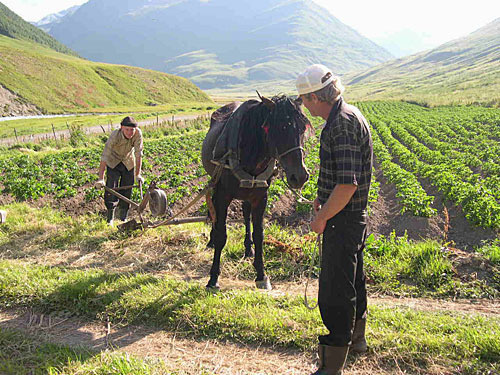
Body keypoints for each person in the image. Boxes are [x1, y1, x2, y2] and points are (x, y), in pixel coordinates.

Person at [296, 64, 373, 374]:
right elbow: (341, 177)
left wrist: (322, 217)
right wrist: (322, 197)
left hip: (343, 219)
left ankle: (331, 364)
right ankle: (357, 341)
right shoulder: (350, 114)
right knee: (352, 280)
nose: (303, 106)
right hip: (351, 215)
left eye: (304, 100)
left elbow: (347, 184)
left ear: (315, 97)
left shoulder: (340, 124)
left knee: (334, 291)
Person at [95, 116, 144, 224]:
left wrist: (138, 174)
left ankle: (123, 218)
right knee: (111, 188)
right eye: (127, 129)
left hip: (128, 160)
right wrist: (100, 178)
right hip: (114, 161)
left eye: (132, 130)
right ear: (122, 128)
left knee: (128, 187)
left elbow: (138, 154)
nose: (130, 132)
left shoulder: (138, 134)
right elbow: (105, 156)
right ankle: (110, 218)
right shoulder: (115, 135)